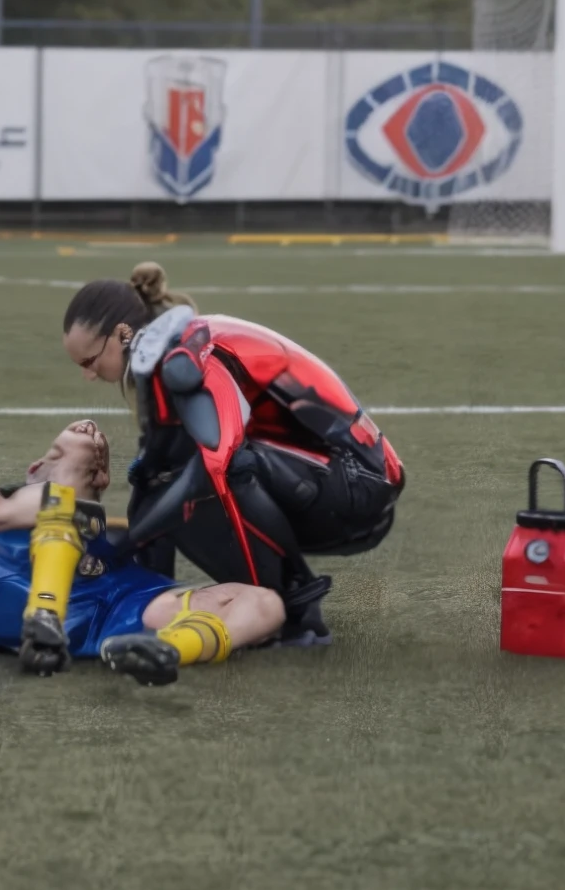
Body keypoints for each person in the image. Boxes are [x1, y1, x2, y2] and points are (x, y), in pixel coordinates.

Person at [61, 263, 405, 646]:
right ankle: (148, 607)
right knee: (158, 480)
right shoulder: (162, 357)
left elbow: (217, 463)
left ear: (122, 334)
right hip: (326, 478)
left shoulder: (181, 358)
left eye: (90, 362)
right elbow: (154, 471)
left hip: (359, 483)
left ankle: (295, 603)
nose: (88, 376)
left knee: (223, 471)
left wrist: (131, 538)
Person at [0, 419, 286, 686]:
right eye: (58, 451)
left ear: (102, 481)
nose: (90, 427)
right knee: (41, 501)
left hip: (112, 612)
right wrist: (48, 504)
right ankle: (43, 616)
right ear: (34, 470)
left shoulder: (118, 536)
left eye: (98, 467)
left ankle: (168, 650)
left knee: (265, 605)